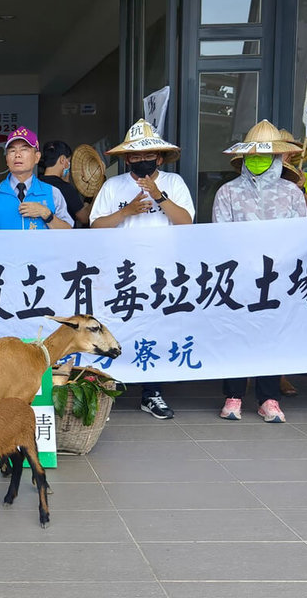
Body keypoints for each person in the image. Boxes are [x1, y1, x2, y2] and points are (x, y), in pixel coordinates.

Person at [90, 119, 195, 420]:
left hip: (162, 274)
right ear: (126, 160)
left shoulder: (174, 183)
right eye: (134, 156)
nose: (141, 161)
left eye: (147, 156)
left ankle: (152, 393)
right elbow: (95, 226)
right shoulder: (113, 186)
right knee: (118, 329)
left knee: (155, 331)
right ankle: (109, 392)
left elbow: (186, 222)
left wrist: (158, 195)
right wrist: (126, 212)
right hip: (121, 273)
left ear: (159, 158)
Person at [212, 119, 306, 423]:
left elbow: (298, 237)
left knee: (272, 337)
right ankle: (233, 396)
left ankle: (269, 399)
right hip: (240, 278)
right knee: (236, 335)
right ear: (243, 158)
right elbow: (220, 235)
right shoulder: (227, 192)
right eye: (253, 156)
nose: (258, 160)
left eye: (264, 155)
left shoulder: (291, 194)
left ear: (278, 157)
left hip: (278, 279)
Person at [0, 127, 74, 231]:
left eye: (24, 150)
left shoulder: (53, 193)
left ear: (37, 157)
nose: (18, 155)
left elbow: (67, 232)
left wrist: (46, 214)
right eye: (12, 151)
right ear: (6, 159)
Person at [40, 140, 91, 226]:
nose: (69, 164)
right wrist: (93, 196)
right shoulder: (65, 188)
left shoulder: (36, 183)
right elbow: (84, 218)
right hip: (64, 237)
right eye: (69, 160)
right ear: (62, 160)